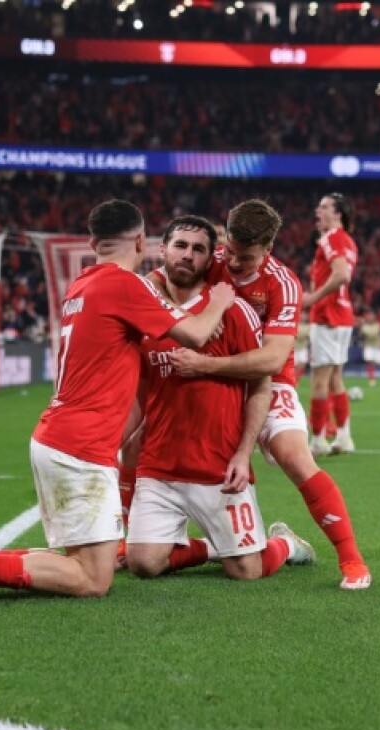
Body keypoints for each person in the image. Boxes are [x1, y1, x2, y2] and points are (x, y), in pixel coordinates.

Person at [0, 200, 236, 604]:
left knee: (84, 564)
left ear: (92, 242)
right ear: (141, 241)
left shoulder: (82, 284)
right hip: (79, 447)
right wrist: (221, 299)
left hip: (62, 436)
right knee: (92, 580)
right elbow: (198, 334)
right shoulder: (124, 286)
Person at [163, 199, 372, 590]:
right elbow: (166, 282)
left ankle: (351, 559)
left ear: (269, 248)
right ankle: (142, 541)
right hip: (212, 381)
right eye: (231, 252)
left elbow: (274, 359)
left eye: (247, 257)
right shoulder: (213, 261)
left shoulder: (283, 283)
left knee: (295, 458)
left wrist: (207, 366)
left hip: (265, 381)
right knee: (149, 436)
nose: (235, 263)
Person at [124, 214, 315, 581]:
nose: (187, 255)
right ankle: (217, 546)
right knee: (143, 564)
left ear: (212, 257)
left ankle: (284, 544)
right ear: (162, 250)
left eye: (198, 250)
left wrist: (243, 455)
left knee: (247, 571)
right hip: (160, 468)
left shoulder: (237, 311)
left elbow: (261, 385)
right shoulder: (147, 311)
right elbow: (138, 387)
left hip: (217, 469)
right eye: (180, 246)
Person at [303, 193, 359, 457]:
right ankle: (344, 436)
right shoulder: (349, 241)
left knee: (319, 381)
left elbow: (341, 274)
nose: (318, 210)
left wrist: (312, 298)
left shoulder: (331, 238)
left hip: (327, 316)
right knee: (336, 379)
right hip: (344, 316)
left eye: (324, 207)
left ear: (338, 214)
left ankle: (317, 441)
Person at [358, 309, 380, 387]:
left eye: (371, 316)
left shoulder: (378, 325)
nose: (370, 318)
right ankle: (371, 379)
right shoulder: (364, 326)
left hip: (377, 346)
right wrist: (360, 328)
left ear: (374, 317)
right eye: (369, 316)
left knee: (379, 363)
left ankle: (375, 375)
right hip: (368, 346)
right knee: (369, 362)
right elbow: (360, 336)